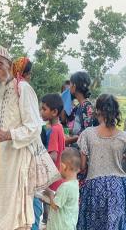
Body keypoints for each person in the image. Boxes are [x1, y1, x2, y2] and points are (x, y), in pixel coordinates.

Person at [0, 45, 44, 229]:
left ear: (10, 65)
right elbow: (0, 135)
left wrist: (9, 135)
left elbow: (34, 127)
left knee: (17, 218)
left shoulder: (23, 88)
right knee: (0, 214)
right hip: (2, 167)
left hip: (19, 164)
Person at [77, 94, 126, 230]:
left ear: (97, 110)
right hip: (118, 188)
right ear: (116, 112)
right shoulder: (123, 136)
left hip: (94, 187)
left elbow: (82, 167)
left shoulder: (88, 134)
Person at [45, 148, 80, 230]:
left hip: (60, 226)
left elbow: (55, 205)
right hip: (69, 225)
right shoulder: (75, 184)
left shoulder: (65, 187)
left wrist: (49, 194)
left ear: (63, 167)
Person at [41, 93, 65, 191]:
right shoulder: (59, 127)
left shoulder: (54, 130)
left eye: (44, 109)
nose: (41, 112)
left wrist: (37, 157)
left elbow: (53, 156)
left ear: (54, 112)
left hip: (53, 180)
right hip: (59, 176)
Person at [67, 71, 95, 145]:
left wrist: (69, 140)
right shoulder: (79, 106)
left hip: (82, 152)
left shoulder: (87, 107)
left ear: (74, 86)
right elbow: (78, 128)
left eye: (70, 84)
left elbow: (87, 132)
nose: (69, 87)